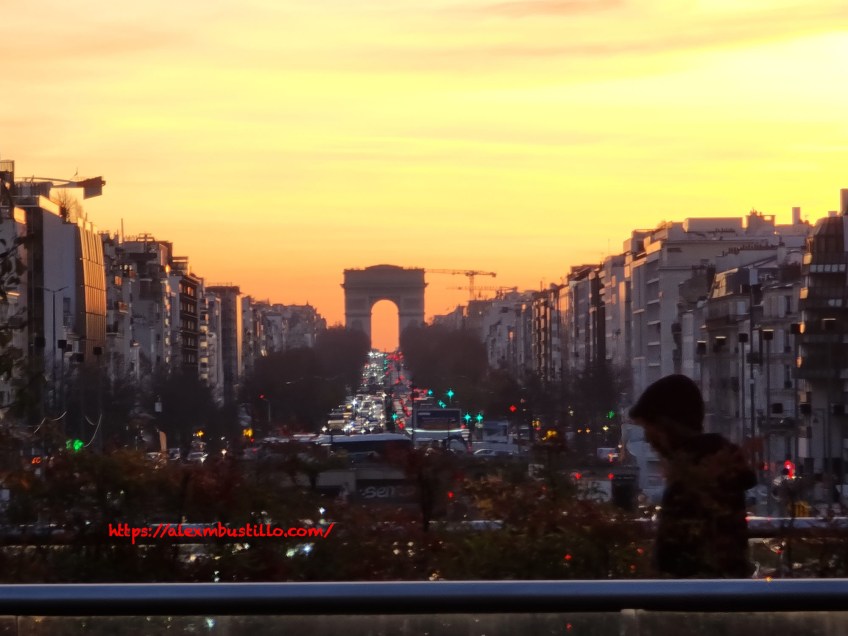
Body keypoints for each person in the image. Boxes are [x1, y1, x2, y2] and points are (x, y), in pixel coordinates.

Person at [629, 374, 757, 578]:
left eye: (649, 428)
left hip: (693, 593)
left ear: (666, 427)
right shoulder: (719, 470)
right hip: (725, 590)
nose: (647, 438)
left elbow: (672, 560)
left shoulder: (690, 480)